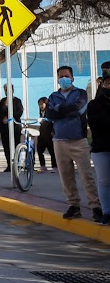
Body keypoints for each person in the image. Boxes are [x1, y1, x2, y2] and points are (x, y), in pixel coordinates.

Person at [46, 66, 101, 222]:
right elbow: (50, 114)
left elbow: (79, 109)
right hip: (59, 141)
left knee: (86, 176)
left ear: (72, 78)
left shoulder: (81, 93)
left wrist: (59, 110)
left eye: (67, 76)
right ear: (57, 79)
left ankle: (95, 206)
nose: (64, 79)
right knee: (66, 177)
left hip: (78, 140)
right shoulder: (53, 96)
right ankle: (73, 205)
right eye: (61, 76)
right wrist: (61, 110)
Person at [87, 73, 110, 225]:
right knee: (104, 182)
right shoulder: (94, 104)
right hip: (101, 148)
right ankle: (107, 212)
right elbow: (96, 124)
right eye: (107, 84)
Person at [0, 84, 24, 172]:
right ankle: (9, 165)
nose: (7, 91)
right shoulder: (3, 101)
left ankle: (17, 164)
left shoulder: (17, 101)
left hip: (15, 127)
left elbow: (19, 112)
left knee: (16, 146)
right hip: (5, 128)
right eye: (5, 90)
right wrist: (3, 117)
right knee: (6, 147)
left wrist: (10, 117)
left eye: (9, 89)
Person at [36, 96, 56, 172]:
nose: (41, 106)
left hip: (49, 133)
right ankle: (43, 166)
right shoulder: (41, 112)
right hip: (42, 133)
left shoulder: (50, 111)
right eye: (39, 105)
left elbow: (52, 121)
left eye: (42, 104)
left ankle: (54, 166)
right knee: (39, 150)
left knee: (51, 151)